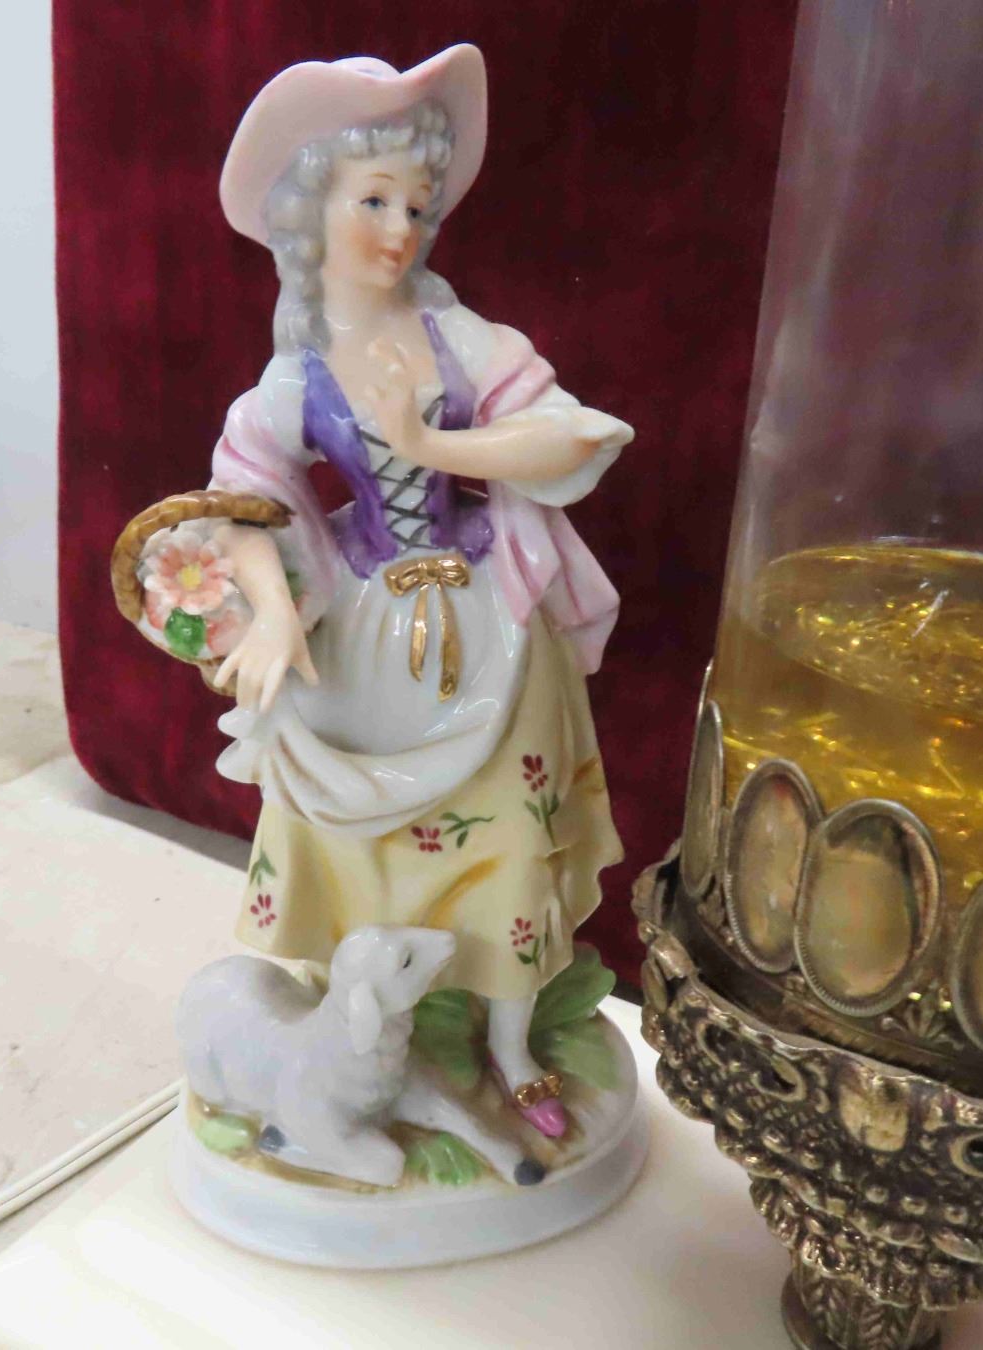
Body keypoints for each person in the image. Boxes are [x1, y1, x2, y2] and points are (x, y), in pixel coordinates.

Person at [203, 45, 631, 1139]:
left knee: (509, 842)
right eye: (374, 200)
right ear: (312, 210)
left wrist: (436, 443)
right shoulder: (294, 378)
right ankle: (354, 1030)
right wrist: (275, 609)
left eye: (417, 204)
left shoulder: (464, 341)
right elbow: (241, 497)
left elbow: (573, 438)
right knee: (356, 840)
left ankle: (511, 1046)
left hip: (492, 627)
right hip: (362, 639)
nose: (400, 229)